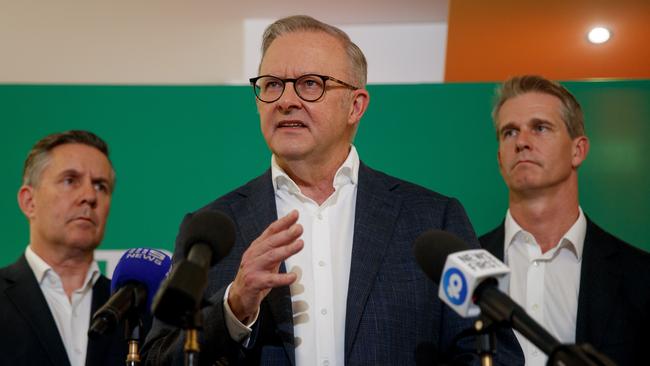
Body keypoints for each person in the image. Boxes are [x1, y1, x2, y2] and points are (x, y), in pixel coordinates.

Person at [143, 15, 523, 365]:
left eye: (311, 84)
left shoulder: (432, 219)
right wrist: (234, 307)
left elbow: (490, 353)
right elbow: (160, 358)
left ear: (355, 106)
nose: (286, 100)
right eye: (272, 85)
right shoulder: (211, 229)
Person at [479, 75, 650, 366]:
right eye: (509, 132)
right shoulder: (463, 266)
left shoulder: (641, 275)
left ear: (578, 150)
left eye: (540, 128)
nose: (521, 141)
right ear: (499, 159)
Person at [0, 130, 128, 366]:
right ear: (29, 202)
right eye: (70, 180)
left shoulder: (132, 310)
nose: (89, 196)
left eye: (101, 186)